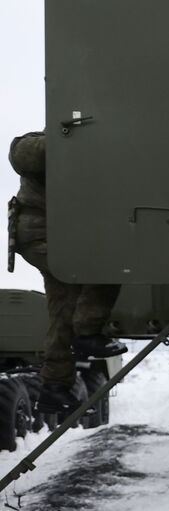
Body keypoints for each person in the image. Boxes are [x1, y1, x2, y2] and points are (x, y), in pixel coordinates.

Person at [8, 130, 126, 415]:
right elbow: (20, 154)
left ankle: (55, 388)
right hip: (40, 235)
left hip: (58, 237)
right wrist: (69, 141)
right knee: (108, 264)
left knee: (63, 312)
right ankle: (87, 332)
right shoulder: (36, 143)